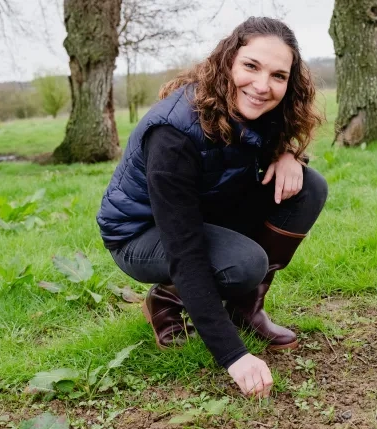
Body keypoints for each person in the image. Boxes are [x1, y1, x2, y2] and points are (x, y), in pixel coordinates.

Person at [97, 17, 328, 398]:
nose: (262, 86)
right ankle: (167, 298)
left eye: (278, 76)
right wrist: (234, 356)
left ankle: (245, 308)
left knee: (308, 186)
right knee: (244, 264)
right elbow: (185, 251)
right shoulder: (172, 135)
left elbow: (262, 144)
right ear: (227, 62)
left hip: (203, 211)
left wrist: (288, 154)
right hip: (140, 235)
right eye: (251, 66)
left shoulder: (260, 109)